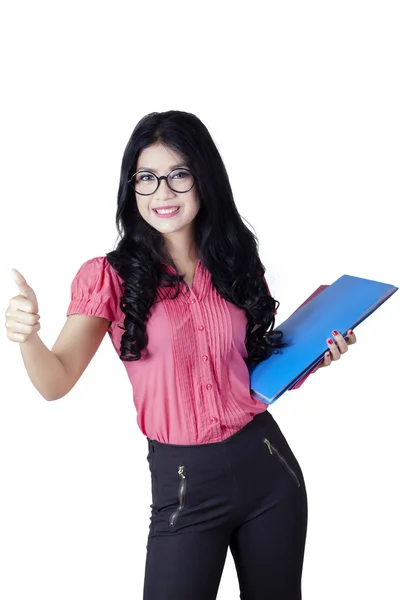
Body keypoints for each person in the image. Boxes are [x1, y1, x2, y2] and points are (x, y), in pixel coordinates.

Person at [5, 110, 357, 599]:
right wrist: (28, 337)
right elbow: (55, 381)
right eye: (147, 178)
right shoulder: (107, 277)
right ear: (132, 188)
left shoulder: (235, 261)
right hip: (184, 485)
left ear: (203, 179)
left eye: (179, 174)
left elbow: (249, 364)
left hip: (268, 467)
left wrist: (314, 357)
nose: (162, 192)